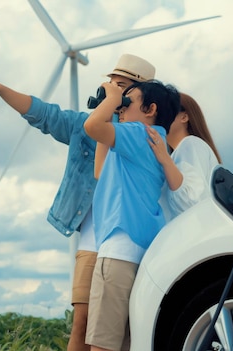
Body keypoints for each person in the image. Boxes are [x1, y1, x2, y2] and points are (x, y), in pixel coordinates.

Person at [0, 54, 156, 351]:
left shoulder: (146, 134)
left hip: (128, 236)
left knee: (129, 327)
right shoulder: (85, 126)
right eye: (111, 84)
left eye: (121, 87)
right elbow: (45, 115)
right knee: (82, 322)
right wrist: (1, 90)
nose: (112, 90)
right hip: (94, 236)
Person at [83, 80, 180, 351]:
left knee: (103, 345)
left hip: (118, 254)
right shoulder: (157, 141)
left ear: (150, 109)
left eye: (129, 102)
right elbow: (100, 171)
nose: (122, 109)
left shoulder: (137, 133)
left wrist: (111, 99)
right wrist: (114, 111)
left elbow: (91, 127)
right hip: (143, 255)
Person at [146, 92, 222, 221]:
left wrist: (165, 160)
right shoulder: (178, 152)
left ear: (184, 117)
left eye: (165, 111)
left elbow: (192, 203)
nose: (157, 117)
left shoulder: (190, 144)